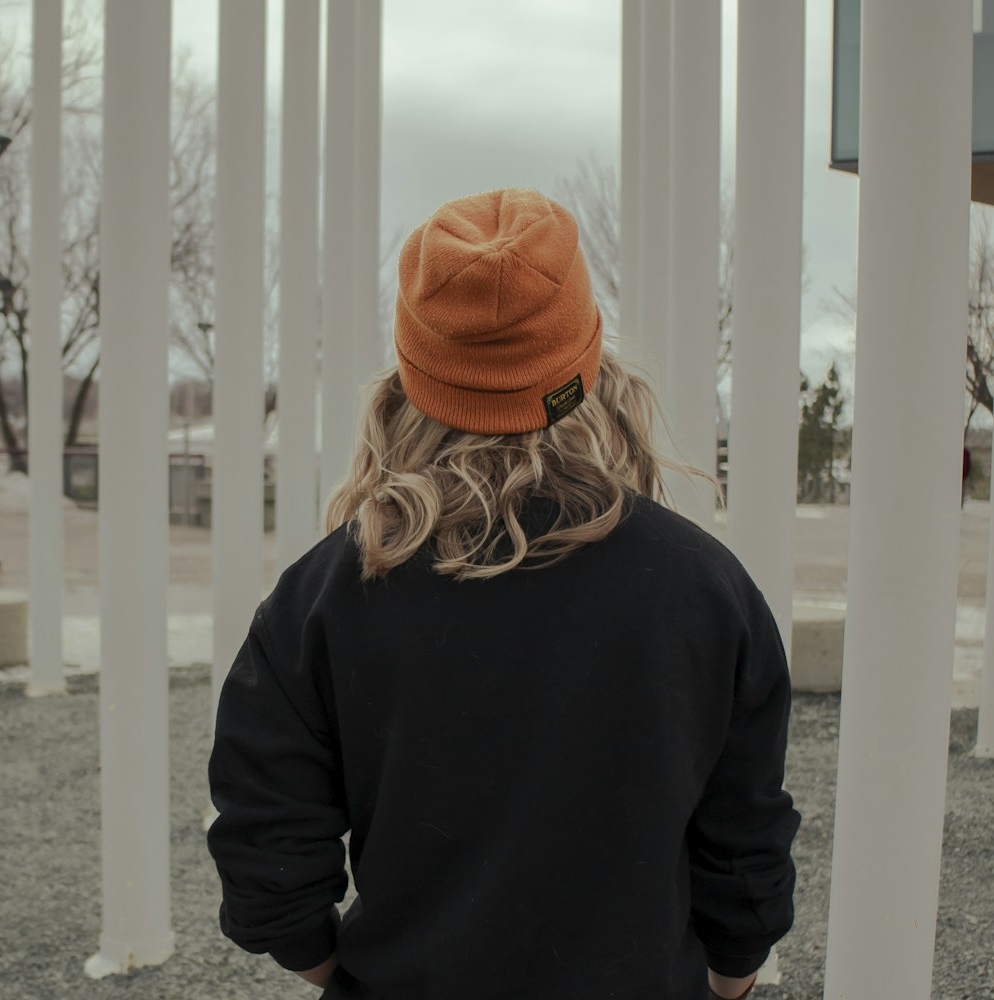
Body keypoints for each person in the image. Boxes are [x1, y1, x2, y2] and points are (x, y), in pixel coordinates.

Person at [207, 188, 800, 1000]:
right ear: (585, 365)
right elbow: (746, 847)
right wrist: (725, 984)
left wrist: (342, 973)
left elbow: (266, 858)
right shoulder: (705, 585)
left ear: (411, 379)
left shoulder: (323, 595)